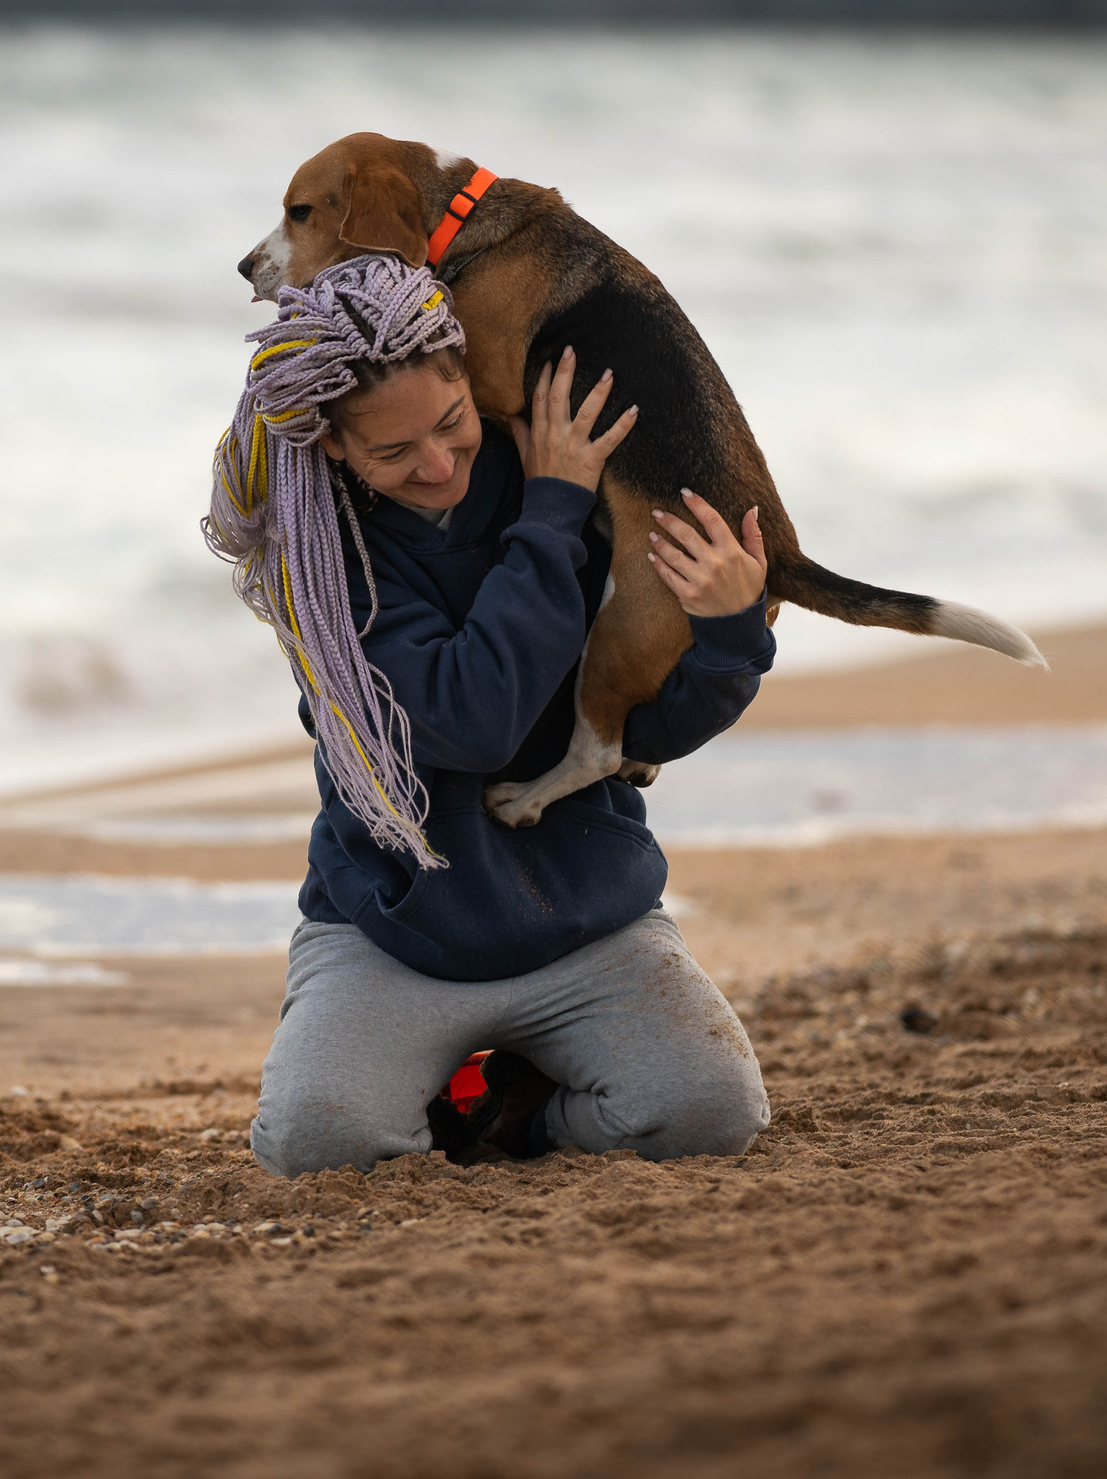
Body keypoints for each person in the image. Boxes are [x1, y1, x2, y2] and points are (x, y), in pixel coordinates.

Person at [205, 254, 772, 1177]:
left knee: (710, 1110)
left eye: (452, 423)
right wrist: (550, 514)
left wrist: (729, 632)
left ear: (471, 380)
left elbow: (644, 730)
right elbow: (477, 721)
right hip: (400, 932)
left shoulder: (562, 467)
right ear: (335, 448)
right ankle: (433, 1080)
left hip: (583, 917)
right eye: (393, 452)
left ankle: (516, 1111)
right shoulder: (319, 562)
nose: (436, 465)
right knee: (319, 1142)